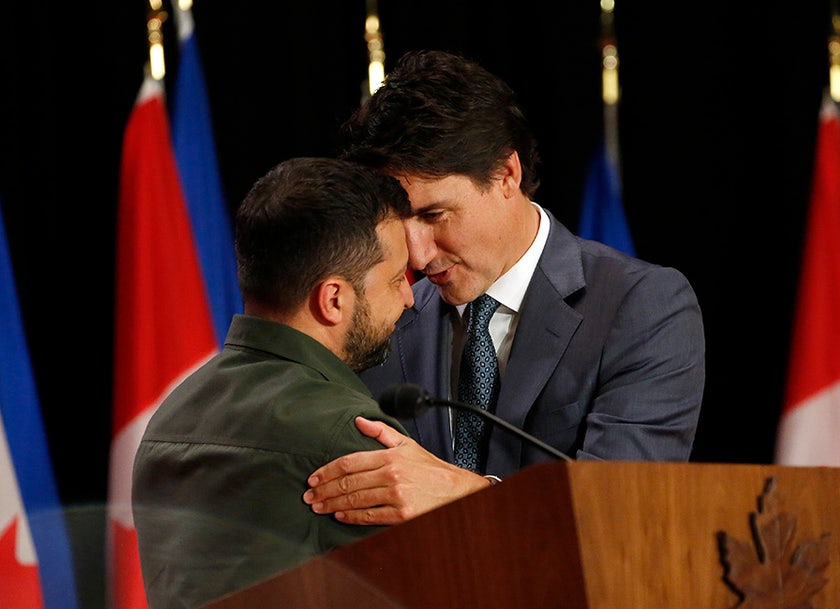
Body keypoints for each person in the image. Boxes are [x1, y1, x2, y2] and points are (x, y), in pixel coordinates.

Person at [302, 50, 706, 525]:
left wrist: (464, 496)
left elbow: (623, 512)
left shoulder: (642, 306)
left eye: (434, 216)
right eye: (399, 223)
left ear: (506, 175)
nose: (415, 255)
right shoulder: (387, 322)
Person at [131, 156, 422, 609]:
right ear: (333, 298)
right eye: (397, 277)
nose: (408, 297)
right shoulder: (350, 432)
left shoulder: (170, 415)